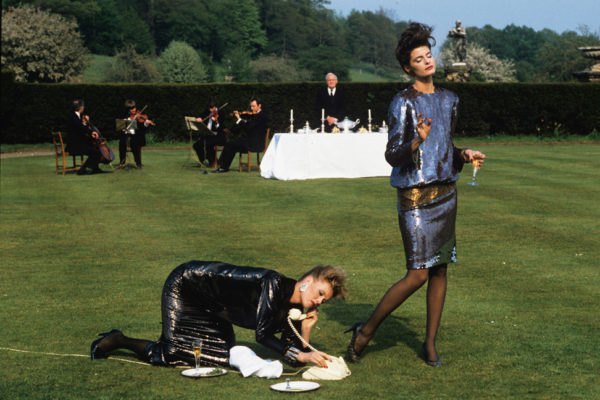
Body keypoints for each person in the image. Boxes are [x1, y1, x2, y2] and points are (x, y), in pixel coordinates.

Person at [345, 23, 485, 367]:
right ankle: (365, 332)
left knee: (440, 271)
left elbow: (445, 149)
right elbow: (392, 155)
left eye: (428, 55)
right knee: (418, 273)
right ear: (408, 68)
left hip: (446, 194)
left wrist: (464, 153)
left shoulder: (450, 100)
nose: (427, 61)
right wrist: (417, 139)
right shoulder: (402, 102)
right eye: (418, 59)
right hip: (415, 199)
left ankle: (430, 343)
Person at [90, 261, 348, 368]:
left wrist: (306, 329)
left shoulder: (295, 311)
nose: (319, 301)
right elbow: (262, 335)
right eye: (319, 292)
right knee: (172, 353)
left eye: (324, 299)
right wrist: (303, 354)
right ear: (307, 281)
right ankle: (118, 339)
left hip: (214, 306)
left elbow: (294, 358)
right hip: (187, 285)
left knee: (218, 356)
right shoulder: (273, 284)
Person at [213, 98, 268, 173]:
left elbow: (248, 128)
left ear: (259, 106)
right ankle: (223, 166)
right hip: (250, 141)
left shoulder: (261, 116)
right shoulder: (256, 115)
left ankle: (223, 166)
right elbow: (247, 124)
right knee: (231, 144)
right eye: (251, 106)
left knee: (231, 144)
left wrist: (239, 119)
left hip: (256, 144)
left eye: (253, 106)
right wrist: (241, 120)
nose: (251, 108)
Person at [65, 99, 104, 175]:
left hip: (75, 143)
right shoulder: (74, 117)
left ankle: (95, 168)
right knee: (96, 152)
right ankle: (82, 169)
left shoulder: (74, 116)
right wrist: (91, 131)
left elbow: (80, 128)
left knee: (96, 149)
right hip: (74, 146)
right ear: (81, 107)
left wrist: (88, 129)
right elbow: (81, 128)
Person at [192, 98, 228, 167]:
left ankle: (213, 161)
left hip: (219, 136)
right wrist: (199, 118)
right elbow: (200, 116)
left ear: (215, 107)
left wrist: (216, 121)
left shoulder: (221, 113)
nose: (211, 110)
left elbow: (221, 127)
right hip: (209, 135)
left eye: (212, 108)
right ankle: (202, 158)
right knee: (196, 145)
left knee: (208, 143)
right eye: (209, 108)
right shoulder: (207, 111)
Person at [119, 99, 154, 169]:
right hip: (127, 135)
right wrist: (123, 129)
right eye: (131, 108)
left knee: (135, 143)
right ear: (128, 109)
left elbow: (143, 128)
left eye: (134, 107)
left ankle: (138, 163)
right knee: (121, 143)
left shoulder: (139, 116)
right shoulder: (125, 116)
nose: (134, 110)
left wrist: (145, 123)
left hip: (137, 135)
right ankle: (122, 163)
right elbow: (121, 126)